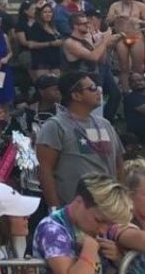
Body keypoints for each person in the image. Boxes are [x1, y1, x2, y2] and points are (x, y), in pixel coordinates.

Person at [36, 72, 125, 210]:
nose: (99, 91)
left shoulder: (105, 124)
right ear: (76, 95)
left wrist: (120, 200)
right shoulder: (55, 125)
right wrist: (55, 209)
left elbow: (119, 164)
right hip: (75, 211)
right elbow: (45, 170)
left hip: (108, 207)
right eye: (92, 88)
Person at [32, 174, 131, 274]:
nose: (103, 230)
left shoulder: (103, 226)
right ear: (79, 202)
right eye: (98, 221)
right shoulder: (52, 229)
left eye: (110, 224)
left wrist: (119, 259)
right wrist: (90, 248)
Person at [106, 0, 145, 91]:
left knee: (138, 67)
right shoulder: (115, 5)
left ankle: (139, 89)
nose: (128, 0)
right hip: (121, 37)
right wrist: (117, 17)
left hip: (136, 36)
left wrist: (139, 21)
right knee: (124, 67)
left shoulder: (140, 5)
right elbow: (108, 20)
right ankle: (125, 91)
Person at [27, 4, 64, 79]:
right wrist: (50, 43)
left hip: (55, 61)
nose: (48, 14)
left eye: (50, 12)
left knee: (56, 85)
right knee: (45, 86)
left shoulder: (53, 27)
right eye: (45, 12)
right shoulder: (36, 27)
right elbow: (31, 45)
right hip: (42, 62)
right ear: (40, 14)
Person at [125, 72, 145, 142]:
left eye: (140, 80)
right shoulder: (131, 97)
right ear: (130, 85)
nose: (137, 83)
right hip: (139, 132)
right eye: (134, 81)